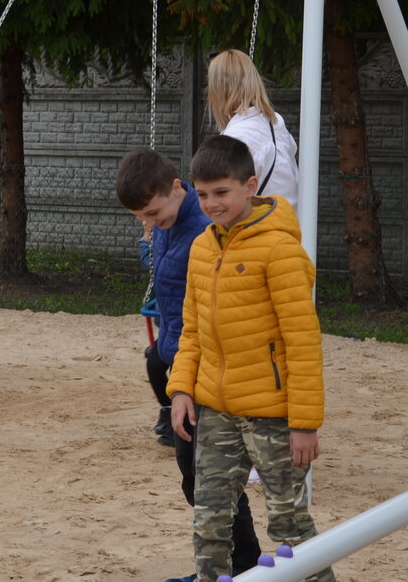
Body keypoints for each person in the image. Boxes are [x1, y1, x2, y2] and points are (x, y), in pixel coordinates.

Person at [168, 135, 333, 582]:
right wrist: (181, 389)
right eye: (203, 194)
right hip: (215, 410)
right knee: (209, 520)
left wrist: (304, 423)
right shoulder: (202, 247)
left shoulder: (280, 250)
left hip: (273, 416)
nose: (211, 204)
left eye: (221, 192)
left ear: (250, 186)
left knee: (290, 526)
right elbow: (192, 329)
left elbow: (302, 340)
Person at [116, 148, 260, 582]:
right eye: (141, 217)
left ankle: (243, 565)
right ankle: (236, 565)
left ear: (177, 188)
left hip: (205, 369)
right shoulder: (166, 227)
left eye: (153, 213)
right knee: (197, 477)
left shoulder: (205, 231)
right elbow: (168, 283)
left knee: (207, 478)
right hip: (180, 362)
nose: (149, 222)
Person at [207, 49, 298, 205]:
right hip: (290, 217)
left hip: (261, 219)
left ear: (217, 91)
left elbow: (222, 203)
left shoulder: (232, 139)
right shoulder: (276, 122)